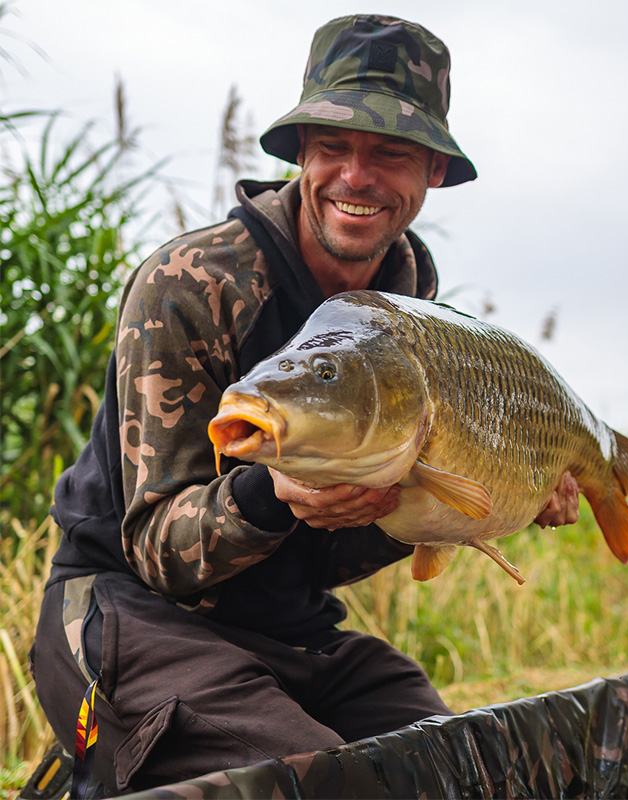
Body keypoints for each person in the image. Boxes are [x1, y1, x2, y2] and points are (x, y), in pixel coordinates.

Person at [30, 13, 580, 796]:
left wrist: (458, 504)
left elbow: (329, 554)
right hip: (127, 611)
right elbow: (155, 548)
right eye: (332, 149)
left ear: (432, 172)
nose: (356, 177)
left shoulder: (412, 314)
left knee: (452, 772)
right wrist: (272, 491)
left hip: (286, 629)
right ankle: (100, 762)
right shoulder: (192, 284)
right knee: (325, 783)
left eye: (389, 153)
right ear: (301, 158)